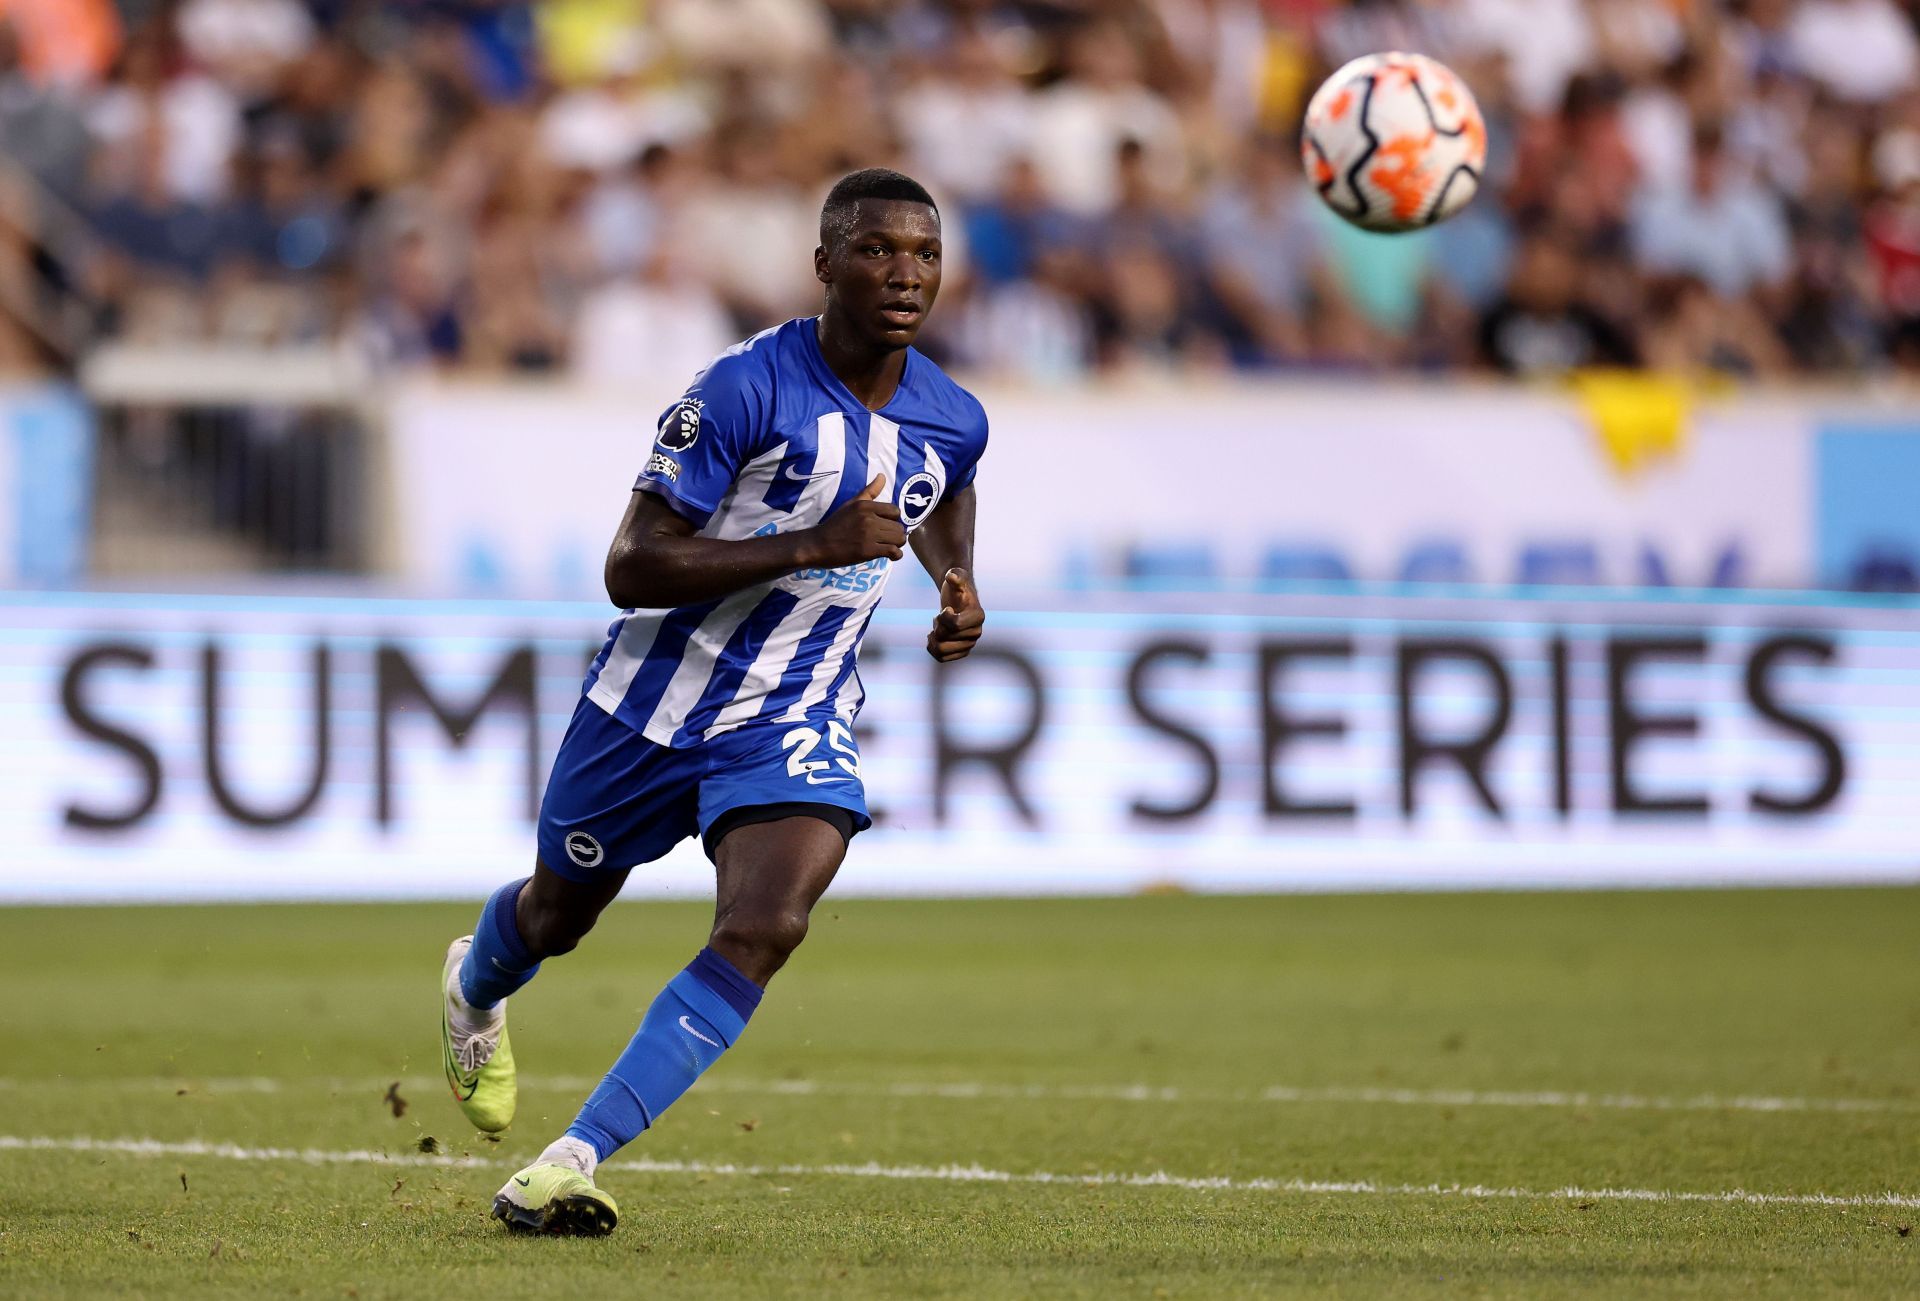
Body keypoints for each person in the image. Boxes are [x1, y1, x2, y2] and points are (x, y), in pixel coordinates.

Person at [437, 168, 989, 1236]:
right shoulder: (740, 389)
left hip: (793, 711)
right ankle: (474, 984)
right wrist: (809, 544)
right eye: (877, 250)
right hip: (646, 710)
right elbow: (632, 565)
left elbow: (945, 489)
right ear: (825, 264)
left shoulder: (954, 415)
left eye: (923, 254)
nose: (905, 273)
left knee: (768, 920)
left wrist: (956, 579)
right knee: (558, 913)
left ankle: (569, 1158)